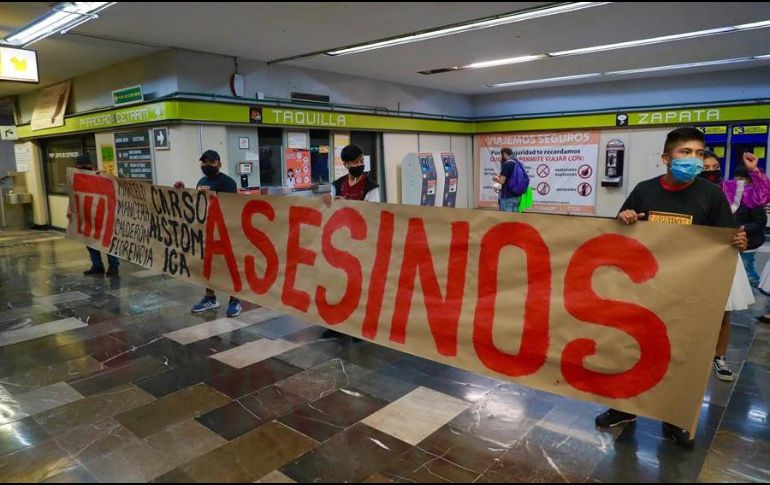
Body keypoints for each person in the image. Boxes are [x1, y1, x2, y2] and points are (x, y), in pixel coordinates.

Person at [597, 127, 747, 448]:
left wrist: (739, 241)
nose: (694, 160)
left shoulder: (711, 196)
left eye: (698, 153)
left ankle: (674, 416)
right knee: (631, 348)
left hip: (688, 292)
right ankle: (625, 408)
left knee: (681, 355)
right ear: (667, 158)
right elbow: (620, 230)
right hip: (644, 289)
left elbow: (726, 240)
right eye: (685, 153)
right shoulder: (644, 190)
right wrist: (623, 217)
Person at [699, 150, 768, 380]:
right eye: (704, 167)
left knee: (723, 314)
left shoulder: (731, 190)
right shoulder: (685, 193)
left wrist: (754, 171)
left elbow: (761, 197)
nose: (710, 171)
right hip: (692, 260)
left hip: (724, 257)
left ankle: (719, 357)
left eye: (714, 166)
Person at [321, 144, 380, 340]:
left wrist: (351, 205)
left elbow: (373, 214)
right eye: (355, 162)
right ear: (346, 164)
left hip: (362, 244)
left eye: (362, 161)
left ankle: (359, 326)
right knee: (338, 283)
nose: (360, 165)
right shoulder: (337, 185)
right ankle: (337, 324)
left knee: (359, 285)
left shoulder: (372, 188)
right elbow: (328, 211)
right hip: (339, 243)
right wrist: (328, 202)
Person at [173, 150, 242, 318]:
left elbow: (230, 207)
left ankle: (235, 300)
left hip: (224, 232)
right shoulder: (201, 181)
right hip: (206, 232)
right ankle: (210, 298)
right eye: (204, 163)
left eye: (210, 162)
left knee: (229, 266)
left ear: (219, 163)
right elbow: (196, 205)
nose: (206, 166)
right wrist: (182, 192)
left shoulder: (228, 182)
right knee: (208, 266)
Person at [76, 154, 120, 277]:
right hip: (89, 217)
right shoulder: (80, 179)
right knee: (92, 243)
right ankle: (98, 266)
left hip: (103, 215)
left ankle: (112, 266)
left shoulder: (101, 177)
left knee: (106, 242)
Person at [491, 148, 526, 212]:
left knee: (506, 219)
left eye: (501, 155)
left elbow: (502, 181)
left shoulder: (507, 164)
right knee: (514, 219)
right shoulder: (519, 163)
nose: (501, 157)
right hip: (518, 197)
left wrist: (495, 178)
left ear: (504, 154)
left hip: (507, 197)